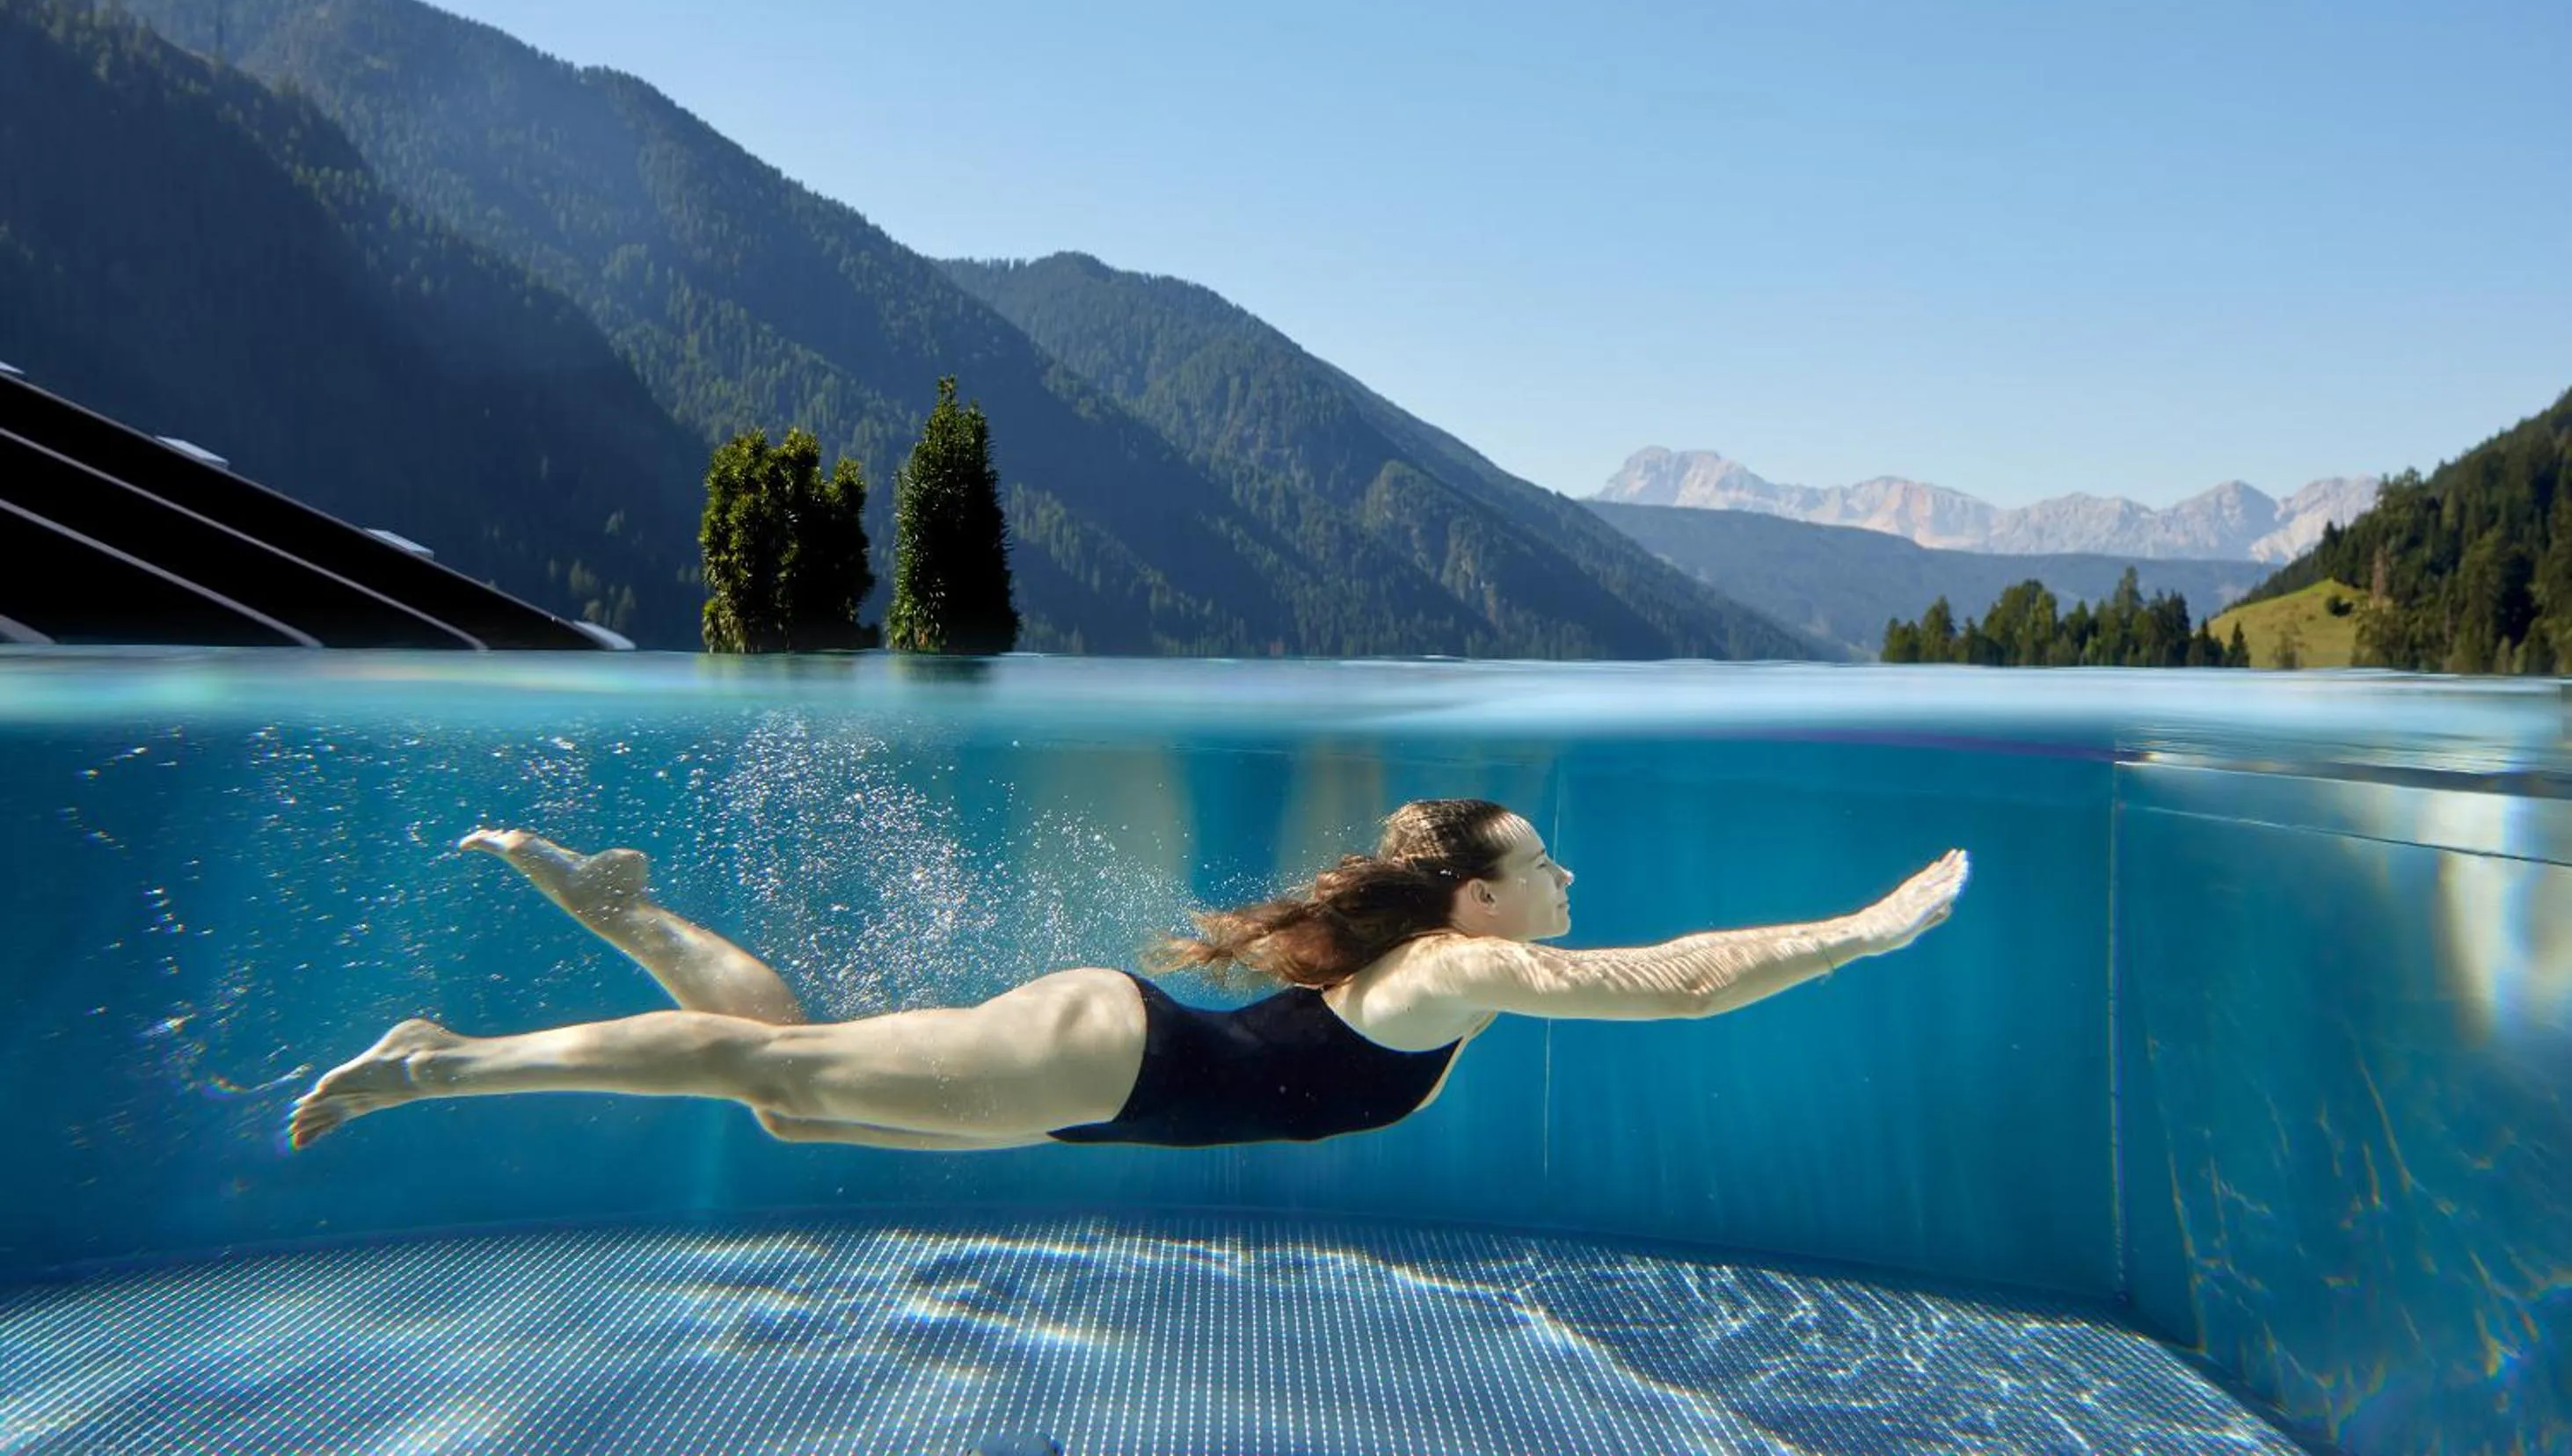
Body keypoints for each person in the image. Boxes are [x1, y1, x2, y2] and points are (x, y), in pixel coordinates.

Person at [288, 797, 1967, 1153]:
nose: (1568, 885)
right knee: (769, 1074)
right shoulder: (1454, 973)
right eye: (1546, 866)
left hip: (1096, 1076)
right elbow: (1676, 984)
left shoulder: (1425, 961)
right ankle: (436, 1059)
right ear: (1477, 896)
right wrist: (1859, 932)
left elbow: (1660, 973)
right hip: (1104, 1060)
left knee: (784, 1086)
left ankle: (631, 911)